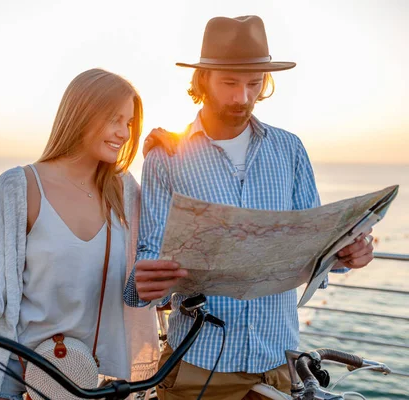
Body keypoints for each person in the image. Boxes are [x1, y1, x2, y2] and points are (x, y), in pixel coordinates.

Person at [124, 16, 375, 400]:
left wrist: (348, 253)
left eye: (254, 84)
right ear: (203, 79)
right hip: (196, 368)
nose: (243, 97)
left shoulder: (289, 150)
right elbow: (148, 262)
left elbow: (316, 249)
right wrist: (143, 286)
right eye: (230, 83)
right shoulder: (167, 156)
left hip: (277, 364)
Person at [0, 68, 180, 400]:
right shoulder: (20, 187)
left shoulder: (124, 191)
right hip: (12, 369)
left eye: (129, 123)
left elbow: (163, 239)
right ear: (82, 115)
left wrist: (168, 160)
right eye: (114, 120)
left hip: (81, 377)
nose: (124, 133)